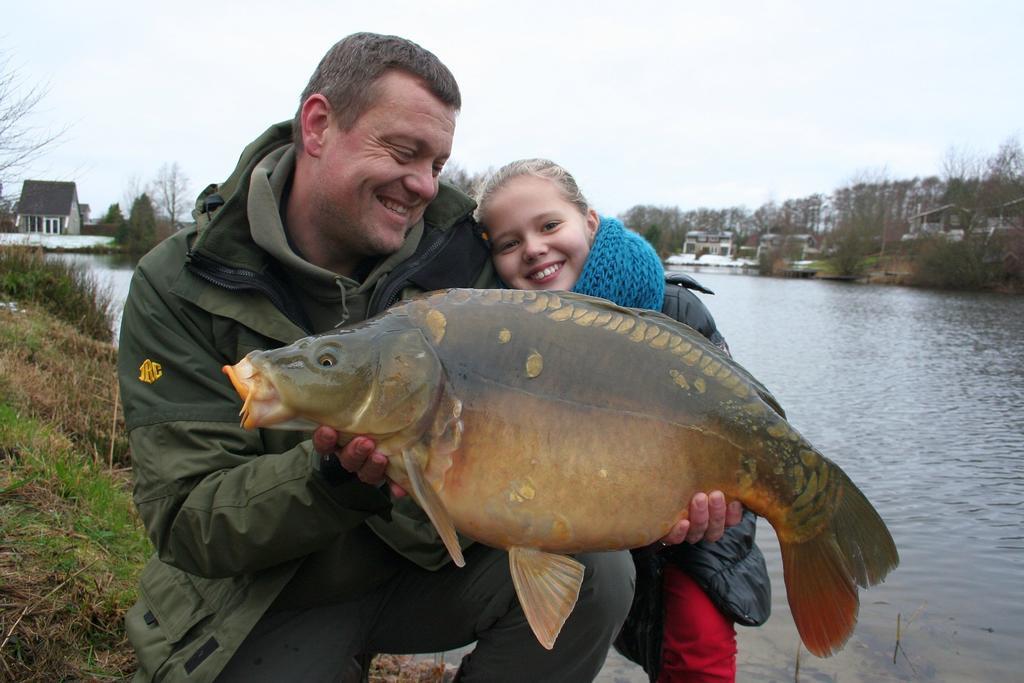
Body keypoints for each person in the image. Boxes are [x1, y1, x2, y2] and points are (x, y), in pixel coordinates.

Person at [116, 34, 739, 682]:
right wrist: (327, 480)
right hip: (269, 592)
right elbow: (187, 517)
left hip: (427, 571)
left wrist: (672, 476)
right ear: (319, 126)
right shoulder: (179, 285)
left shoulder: (467, 250)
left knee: (598, 570)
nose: (422, 185)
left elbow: (580, 326)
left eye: (438, 163)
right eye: (404, 152)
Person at [473, 158, 772, 682]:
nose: (534, 248)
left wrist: (720, 513)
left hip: (686, 532)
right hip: (577, 525)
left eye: (548, 225)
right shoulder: (501, 338)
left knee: (699, 640)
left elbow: (741, 438)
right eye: (508, 243)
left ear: (589, 221)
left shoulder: (675, 311)